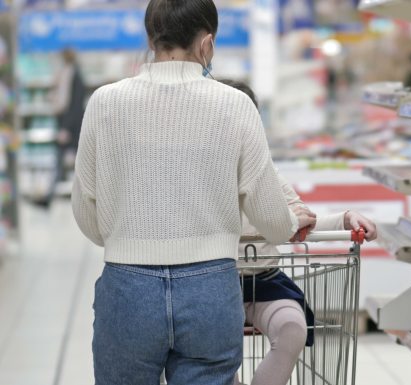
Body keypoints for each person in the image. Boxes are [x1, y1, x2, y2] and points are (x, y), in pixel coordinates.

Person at [71, 1, 316, 384]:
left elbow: (85, 208)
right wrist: (290, 222)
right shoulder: (236, 105)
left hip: (127, 287)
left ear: (152, 39)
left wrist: (128, 240)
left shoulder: (104, 102)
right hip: (211, 286)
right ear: (207, 44)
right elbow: (270, 219)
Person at [225, 80, 377, 385]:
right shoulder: (196, 172)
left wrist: (344, 219)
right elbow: (285, 221)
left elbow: (300, 216)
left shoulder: (263, 167)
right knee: (210, 348)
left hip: (263, 279)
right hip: (211, 283)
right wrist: (278, 223)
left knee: (293, 327)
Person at [37, 48, 87, 207]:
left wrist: (65, 127)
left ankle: (51, 197)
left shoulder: (74, 77)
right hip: (67, 126)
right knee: (63, 163)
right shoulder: (66, 75)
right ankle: (49, 197)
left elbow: (75, 106)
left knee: (73, 164)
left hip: (71, 128)